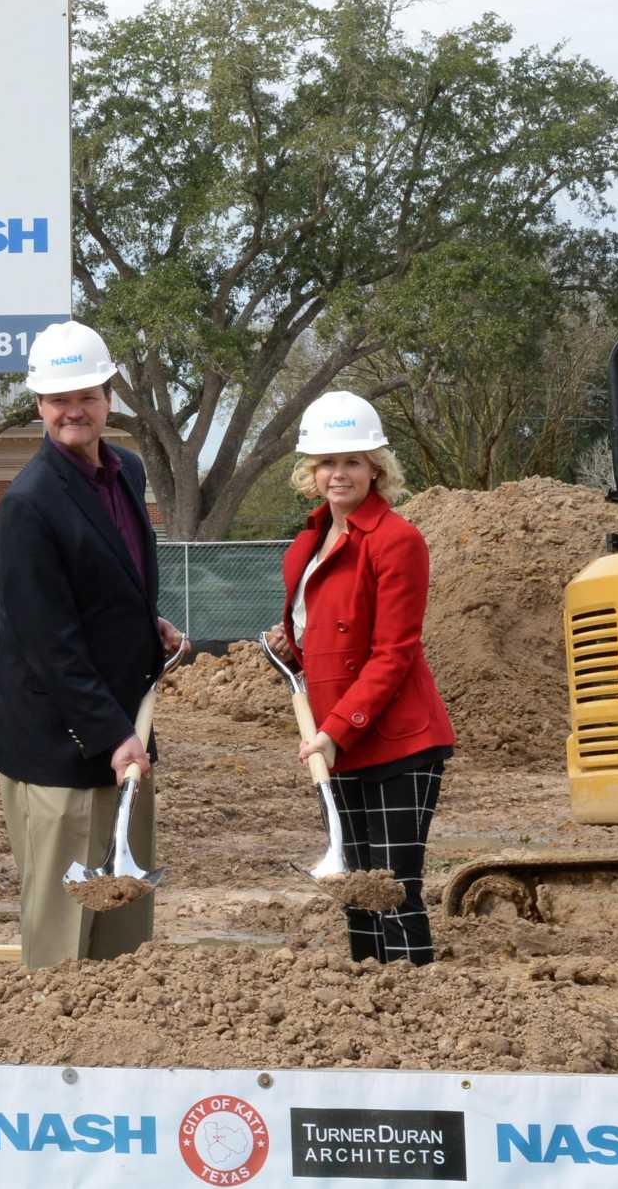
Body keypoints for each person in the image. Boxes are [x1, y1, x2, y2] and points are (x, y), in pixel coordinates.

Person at [0, 321, 185, 970]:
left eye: (85, 393)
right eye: (56, 398)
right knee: (64, 934)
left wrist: (144, 624)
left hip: (122, 733)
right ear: (39, 404)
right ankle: (55, 1050)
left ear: (107, 394)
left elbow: (114, 577)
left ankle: (117, 1046)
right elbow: (49, 642)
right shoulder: (28, 504)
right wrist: (112, 735)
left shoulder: (125, 471)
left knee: (125, 919)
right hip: (64, 750)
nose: (72, 409)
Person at [269, 390, 454, 964]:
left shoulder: (398, 541)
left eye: (351, 461)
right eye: (326, 462)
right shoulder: (306, 544)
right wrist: (290, 645)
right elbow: (327, 637)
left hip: (397, 741)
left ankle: (419, 1011)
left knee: (393, 890)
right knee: (354, 892)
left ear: (376, 466)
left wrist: (336, 729)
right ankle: (372, 1016)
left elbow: (392, 654)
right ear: (311, 471)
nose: (338, 473)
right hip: (337, 742)